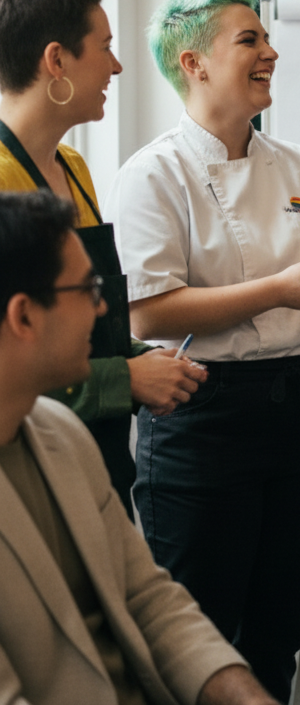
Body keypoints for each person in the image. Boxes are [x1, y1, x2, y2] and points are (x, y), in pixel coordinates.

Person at [105, 0, 300, 704]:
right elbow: (150, 315)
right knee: (197, 637)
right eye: (249, 40)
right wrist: (284, 288)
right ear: (193, 64)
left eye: (265, 39)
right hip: (205, 415)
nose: (270, 52)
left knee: (279, 630)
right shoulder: (153, 173)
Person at [0, 190, 280, 705]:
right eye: (88, 290)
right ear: (24, 317)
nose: (104, 308)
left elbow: (150, 600)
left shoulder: (62, 436)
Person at [0, 0, 206, 516]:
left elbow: (94, 321)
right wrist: (127, 378)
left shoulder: (73, 167)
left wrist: (143, 359)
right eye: (106, 47)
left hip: (98, 459)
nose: (116, 65)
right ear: (56, 61)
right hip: (26, 477)